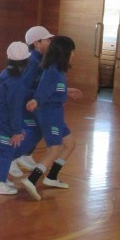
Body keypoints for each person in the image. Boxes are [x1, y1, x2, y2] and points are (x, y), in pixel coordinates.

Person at [14, 26, 82, 172]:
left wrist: (64, 90)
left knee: (37, 131)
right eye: (47, 40)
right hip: (29, 105)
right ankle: (11, 158)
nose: (50, 43)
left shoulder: (43, 60)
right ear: (36, 43)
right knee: (34, 132)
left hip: (36, 104)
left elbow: (46, 85)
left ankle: (23, 155)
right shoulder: (33, 61)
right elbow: (26, 87)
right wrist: (36, 100)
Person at [21, 35, 77, 201]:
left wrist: (67, 91)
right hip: (49, 114)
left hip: (57, 114)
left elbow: (54, 89)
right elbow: (43, 91)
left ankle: (51, 177)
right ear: (64, 52)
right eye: (72, 51)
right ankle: (31, 179)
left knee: (70, 144)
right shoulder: (52, 71)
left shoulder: (59, 70)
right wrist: (35, 101)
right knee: (54, 149)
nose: (73, 54)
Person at [0, 41, 30, 195]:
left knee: (1, 148)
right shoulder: (17, 83)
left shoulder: (6, 73)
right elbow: (15, 109)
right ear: (26, 61)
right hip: (0, 117)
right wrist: (17, 131)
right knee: (6, 149)